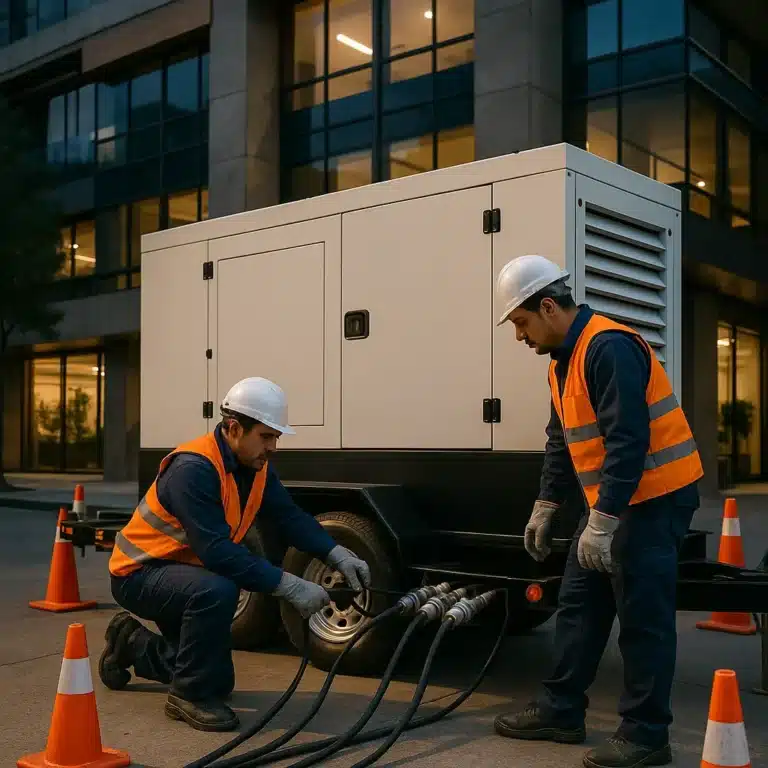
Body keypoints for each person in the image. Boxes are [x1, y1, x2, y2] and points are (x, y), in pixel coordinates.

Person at [491, 255, 704, 768]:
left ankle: (647, 735)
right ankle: (561, 709)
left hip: (654, 498)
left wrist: (603, 522)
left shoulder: (608, 346)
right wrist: (546, 505)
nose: (519, 336)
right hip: (613, 500)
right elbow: (560, 440)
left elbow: (628, 441)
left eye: (521, 322)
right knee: (579, 604)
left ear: (548, 307)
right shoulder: (561, 362)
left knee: (642, 618)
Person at [98, 376, 371, 732]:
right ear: (234, 428)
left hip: (182, 574)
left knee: (219, 681)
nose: (273, 447)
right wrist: (289, 586)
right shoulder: (193, 469)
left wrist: (336, 553)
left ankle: (131, 643)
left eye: (276, 437)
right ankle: (187, 696)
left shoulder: (254, 467)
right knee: (218, 591)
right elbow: (217, 551)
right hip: (139, 574)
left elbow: (288, 517)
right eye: (266, 436)